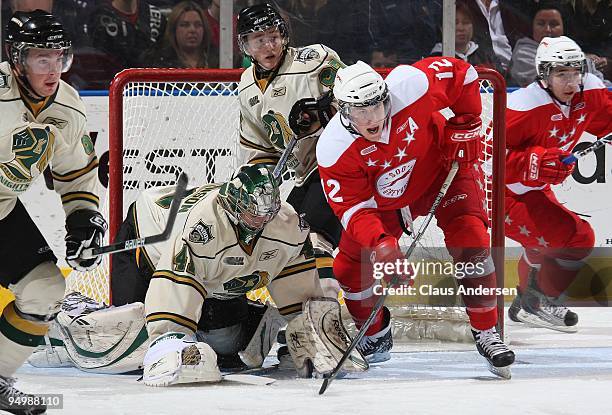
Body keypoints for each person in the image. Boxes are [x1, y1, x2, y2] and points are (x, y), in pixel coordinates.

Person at [316, 58, 515, 376]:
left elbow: (464, 75)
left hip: (442, 171)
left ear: (385, 96)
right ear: (344, 111)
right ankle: (375, 334)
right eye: (360, 111)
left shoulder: (410, 86)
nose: (373, 118)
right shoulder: (333, 147)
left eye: (377, 106)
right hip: (388, 203)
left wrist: (466, 122)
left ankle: (487, 331)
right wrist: (382, 245)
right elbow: (354, 208)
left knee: (472, 240)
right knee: (350, 267)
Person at [0, 10, 105, 413]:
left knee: (45, 290)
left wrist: (82, 221)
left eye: (59, 57)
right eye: (40, 58)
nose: (52, 68)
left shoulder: (68, 107)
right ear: (17, 59)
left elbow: (76, 175)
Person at [236, 3, 343, 299]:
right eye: (259, 39)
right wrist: (255, 184)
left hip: (339, 167)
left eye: (273, 36)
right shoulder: (247, 87)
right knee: (286, 243)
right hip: (305, 176)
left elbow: (362, 104)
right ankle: (303, 320)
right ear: (245, 45)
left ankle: (325, 316)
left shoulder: (315, 61)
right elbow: (259, 149)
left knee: (313, 239)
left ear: (284, 35)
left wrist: (325, 112)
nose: (269, 45)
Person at [505, 36, 612, 332]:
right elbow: (488, 159)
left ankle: (527, 303)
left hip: (532, 191)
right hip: (499, 193)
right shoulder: (523, 105)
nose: (571, 81)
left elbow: (607, 117)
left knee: (545, 244)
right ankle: (537, 303)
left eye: (575, 72)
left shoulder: (587, 93)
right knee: (578, 238)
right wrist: (535, 162)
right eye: (561, 74)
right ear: (544, 75)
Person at [508, 2, 609, 87]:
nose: (547, 30)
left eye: (554, 24)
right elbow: (548, 85)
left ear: (563, 28)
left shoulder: (577, 53)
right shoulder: (523, 54)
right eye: (541, 24)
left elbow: (602, 85)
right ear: (532, 27)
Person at [88, 0, 166, 85]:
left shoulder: (155, 15)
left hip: (151, 85)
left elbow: (163, 54)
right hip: (111, 85)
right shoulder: (99, 17)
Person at [430, 0, 502, 72]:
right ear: (442, 28)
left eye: (466, 22)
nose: (461, 28)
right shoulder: (435, 60)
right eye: (455, 23)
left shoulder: (485, 57)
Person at [141, 1, 216, 68]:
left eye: (198, 25)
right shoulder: (157, 61)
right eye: (185, 25)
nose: (192, 30)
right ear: (174, 29)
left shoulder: (217, 58)